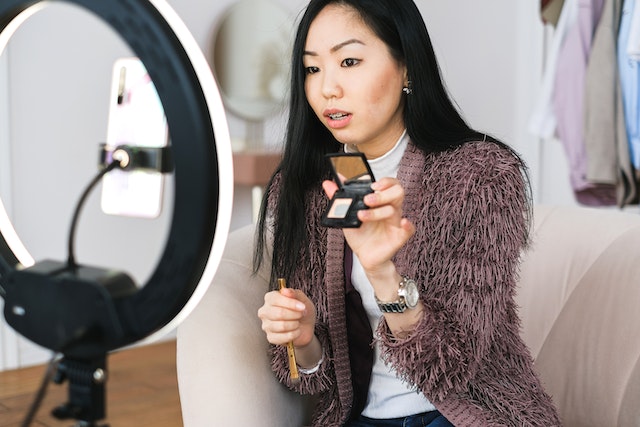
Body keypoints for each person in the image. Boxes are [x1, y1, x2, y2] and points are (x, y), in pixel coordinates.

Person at [255, 0, 561, 425]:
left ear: (406, 68)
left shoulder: (480, 177)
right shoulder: (304, 190)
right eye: (312, 68)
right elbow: (310, 379)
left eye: (349, 61)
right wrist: (304, 340)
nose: (327, 88)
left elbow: (452, 371)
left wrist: (384, 276)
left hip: (463, 414)